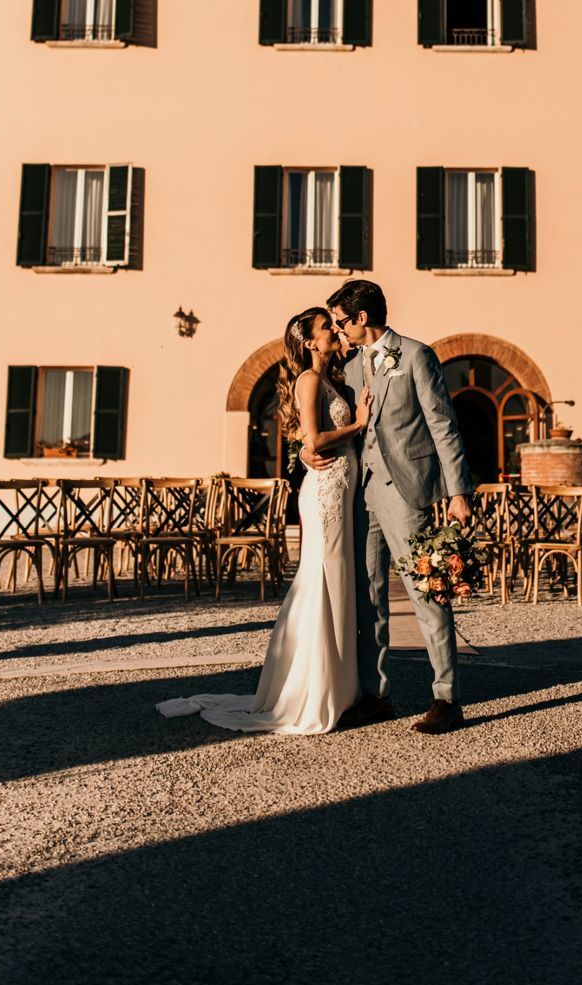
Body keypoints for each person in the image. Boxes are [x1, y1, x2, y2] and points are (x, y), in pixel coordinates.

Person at [156, 307, 370, 734]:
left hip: (340, 490)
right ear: (309, 341)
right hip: (325, 494)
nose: (335, 330)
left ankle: (339, 688)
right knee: (323, 579)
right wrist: (359, 422)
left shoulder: (333, 378)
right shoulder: (309, 381)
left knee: (338, 582)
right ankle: (313, 689)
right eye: (327, 327)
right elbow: (313, 439)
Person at [307, 279, 474, 736]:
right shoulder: (352, 365)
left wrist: (458, 492)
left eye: (341, 321)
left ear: (362, 318)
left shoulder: (417, 356)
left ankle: (446, 697)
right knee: (368, 596)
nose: (338, 330)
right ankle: (374, 694)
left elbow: (444, 426)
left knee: (426, 591)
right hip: (362, 493)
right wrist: (306, 452)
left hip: (407, 492)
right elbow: (331, 424)